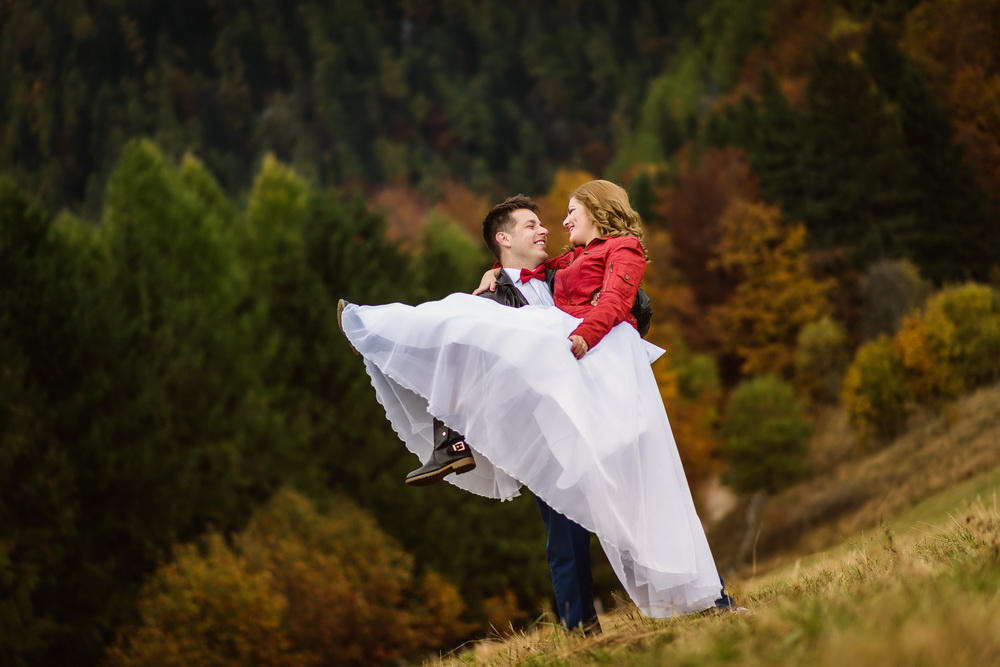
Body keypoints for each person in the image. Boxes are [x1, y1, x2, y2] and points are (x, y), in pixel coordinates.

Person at [338, 180, 725, 619]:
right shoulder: (491, 300)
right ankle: (580, 631)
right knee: (565, 534)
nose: (546, 229)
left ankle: (709, 599)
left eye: (547, 221)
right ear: (504, 239)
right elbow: (469, 365)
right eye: (531, 225)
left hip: (596, 406)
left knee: (650, 500)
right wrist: (494, 278)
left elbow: (627, 299)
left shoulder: (564, 269)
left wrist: (608, 324)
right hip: (547, 428)